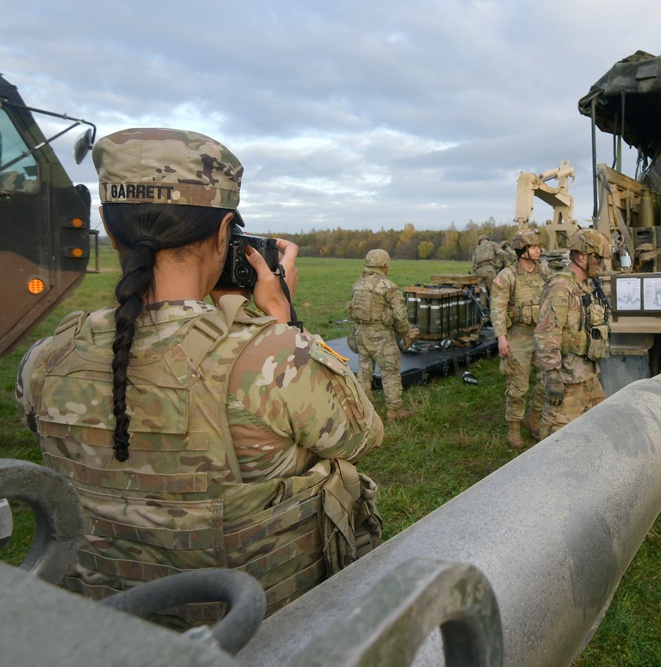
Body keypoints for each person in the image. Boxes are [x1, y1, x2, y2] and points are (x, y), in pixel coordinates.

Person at [15, 128, 384, 626]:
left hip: (104, 629)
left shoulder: (44, 359)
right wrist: (284, 323)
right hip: (251, 632)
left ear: (107, 221)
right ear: (224, 230)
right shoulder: (270, 357)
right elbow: (362, 435)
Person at [534, 228, 611, 438]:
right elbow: (546, 333)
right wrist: (552, 376)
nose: (601, 264)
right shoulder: (561, 288)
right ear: (581, 255)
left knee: (597, 426)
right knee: (557, 437)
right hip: (567, 378)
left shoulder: (585, 286)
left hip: (588, 375)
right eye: (598, 258)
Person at [490, 227, 548, 448]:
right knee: (518, 386)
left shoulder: (544, 272)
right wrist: (501, 337)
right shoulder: (507, 276)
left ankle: (532, 417)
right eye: (533, 247)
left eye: (538, 247)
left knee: (547, 379)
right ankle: (514, 429)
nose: (538, 250)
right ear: (522, 250)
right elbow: (497, 308)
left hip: (540, 336)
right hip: (518, 336)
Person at [350, 248, 417, 423]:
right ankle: (394, 411)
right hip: (381, 335)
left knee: (364, 371)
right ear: (384, 265)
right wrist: (405, 334)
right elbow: (400, 316)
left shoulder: (357, 284)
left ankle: (362, 409)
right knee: (390, 371)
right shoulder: (388, 286)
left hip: (361, 333)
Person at [471, 234, 504, 306]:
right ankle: (493, 312)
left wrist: (474, 274)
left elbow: (473, 264)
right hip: (490, 271)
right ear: (487, 239)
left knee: (483, 293)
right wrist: (503, 262)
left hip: (479, 273)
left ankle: (484, 315)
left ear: (480, 241)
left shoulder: (477, 248)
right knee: (494, 292)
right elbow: (501, 253)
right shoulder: (493, 244)